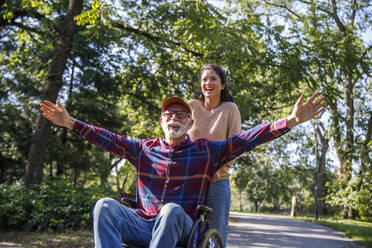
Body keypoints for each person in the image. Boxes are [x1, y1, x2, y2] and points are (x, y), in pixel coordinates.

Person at [40, 92, 325, 248]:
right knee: (104, 206)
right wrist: (70, 123)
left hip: (182, 229)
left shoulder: (206, 152)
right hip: (143, 225)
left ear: (189, 123)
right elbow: (107, 138)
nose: (173, 118)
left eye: (180, 115)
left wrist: (290, 121)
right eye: (168, 115)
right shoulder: (143, 149)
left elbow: (247, 139)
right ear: (161, 122)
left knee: (171, 210)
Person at [187, 64, 241, 246]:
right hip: (190, 181)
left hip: (217, 182)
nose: (208, 83)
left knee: (215, 238)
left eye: (213, 79)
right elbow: (179, 139)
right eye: (204, 79)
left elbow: (236, 146)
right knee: (186, 234)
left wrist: (219, 169)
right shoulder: (191, 106)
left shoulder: (230, 109)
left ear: (223, 85)